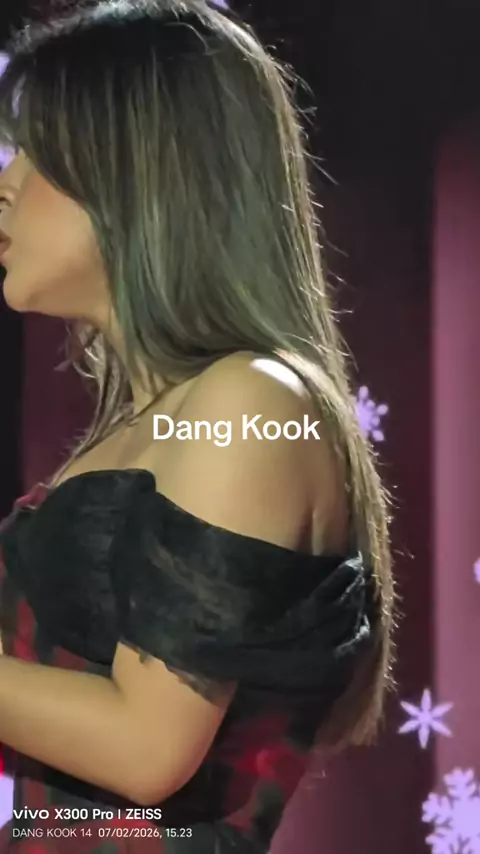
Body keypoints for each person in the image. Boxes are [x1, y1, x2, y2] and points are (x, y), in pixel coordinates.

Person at [0, 0, 395, 851]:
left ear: (147, 176)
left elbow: (146, 749)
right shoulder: (152, 423)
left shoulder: (250, 402)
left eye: (39, 152)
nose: (7, 182)